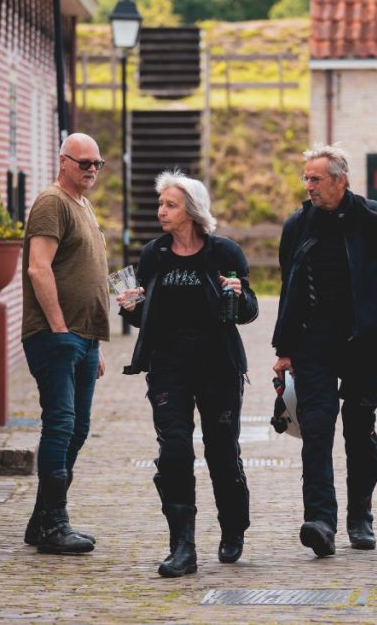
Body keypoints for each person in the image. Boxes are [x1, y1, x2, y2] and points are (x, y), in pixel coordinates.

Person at [272, 143, 377, 558]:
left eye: (316, 179)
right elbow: (288, 290)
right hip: (313, 344)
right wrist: (284, 348)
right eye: (305, 178)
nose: (308, 186)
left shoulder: (376, 219)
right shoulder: (297, 225)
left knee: (360, 430)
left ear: (341, 181)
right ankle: (320, 522)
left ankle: (360, 515)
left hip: (363, 341)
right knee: (317, 430)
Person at [119, 170, 258, 578]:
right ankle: (182, 547)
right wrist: (130, 307)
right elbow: (145, 315)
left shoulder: (225, 253)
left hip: (218, 367)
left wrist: (238, 295)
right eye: (161, 203)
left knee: (221, 452)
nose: (161, 210)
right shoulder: (154, 255)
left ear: (192, 210)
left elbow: (248, 311)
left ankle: (234, 527)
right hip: (168, 369)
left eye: (170, 204)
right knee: (175, 451)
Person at [21, 133, 109, 555]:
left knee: (79, 426)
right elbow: (40, 269)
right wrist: (59, 329)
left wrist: (95, 344)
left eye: (97, 164)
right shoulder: (52, 202)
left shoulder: (83, 205)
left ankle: (42, 520)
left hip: (83, 339)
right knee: (60, 423)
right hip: (57, 336)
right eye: (83, 163)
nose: (91, 170)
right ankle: (54, 524)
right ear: (63, 161)